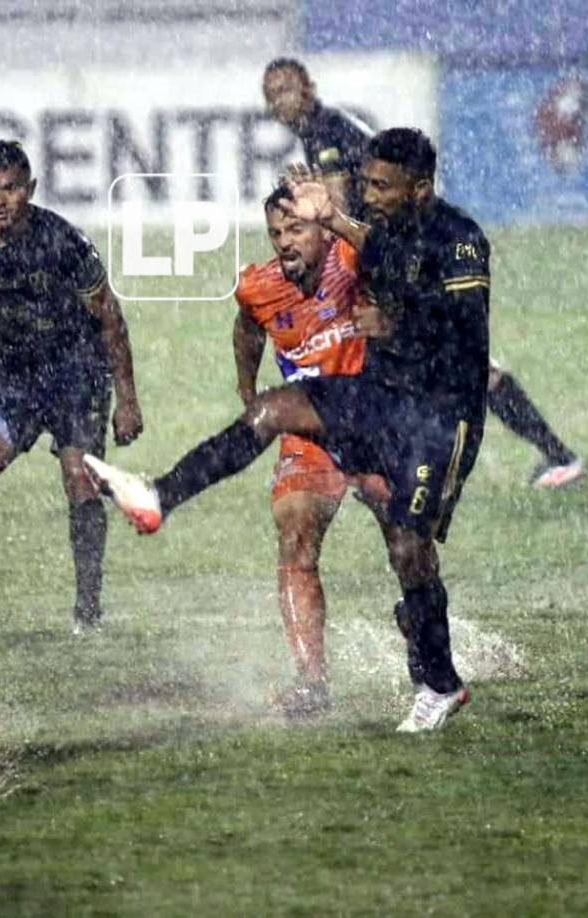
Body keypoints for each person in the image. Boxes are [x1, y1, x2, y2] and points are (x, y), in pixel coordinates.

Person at [86, 129, 486, 732]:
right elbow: (366, 259)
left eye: (382, 185)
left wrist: (396, 320)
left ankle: (439, 679)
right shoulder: (367, 239)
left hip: (441, 414)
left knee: (408, 547)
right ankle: (158, 496)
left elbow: (461, 327)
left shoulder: (459, 241)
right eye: (367, 182)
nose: (371, 193)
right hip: (379, 396)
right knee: (271, 412)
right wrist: (330, 218)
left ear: (420, 189)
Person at [263, 57, 585, 489]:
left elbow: (338, 206)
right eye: (272, 94)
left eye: (287, 88)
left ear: (309, 88)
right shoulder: (326, 129)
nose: (280, 99)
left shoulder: (324, 134)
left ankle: (555, 456)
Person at [0, 140, 143, 631]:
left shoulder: (63, 241)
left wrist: (127, 400)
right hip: (13, 377)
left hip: (76, 373)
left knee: (81, 487)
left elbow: (110, 320)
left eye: (11, 188)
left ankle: (87, 611)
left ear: (30, 190)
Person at [233, 185, 389, 717]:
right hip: (309, 428)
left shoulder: (350, 257)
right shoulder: (259, 286)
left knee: (406, 541)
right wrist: (247, 389)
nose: (284, 242)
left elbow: (392, 255)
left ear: (321, 229)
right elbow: (248, 328)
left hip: (375, 421)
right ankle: (311, 681)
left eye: (296, 228)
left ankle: (426, 644)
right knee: (295, 536)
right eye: (276, 233)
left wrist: (338, 215)